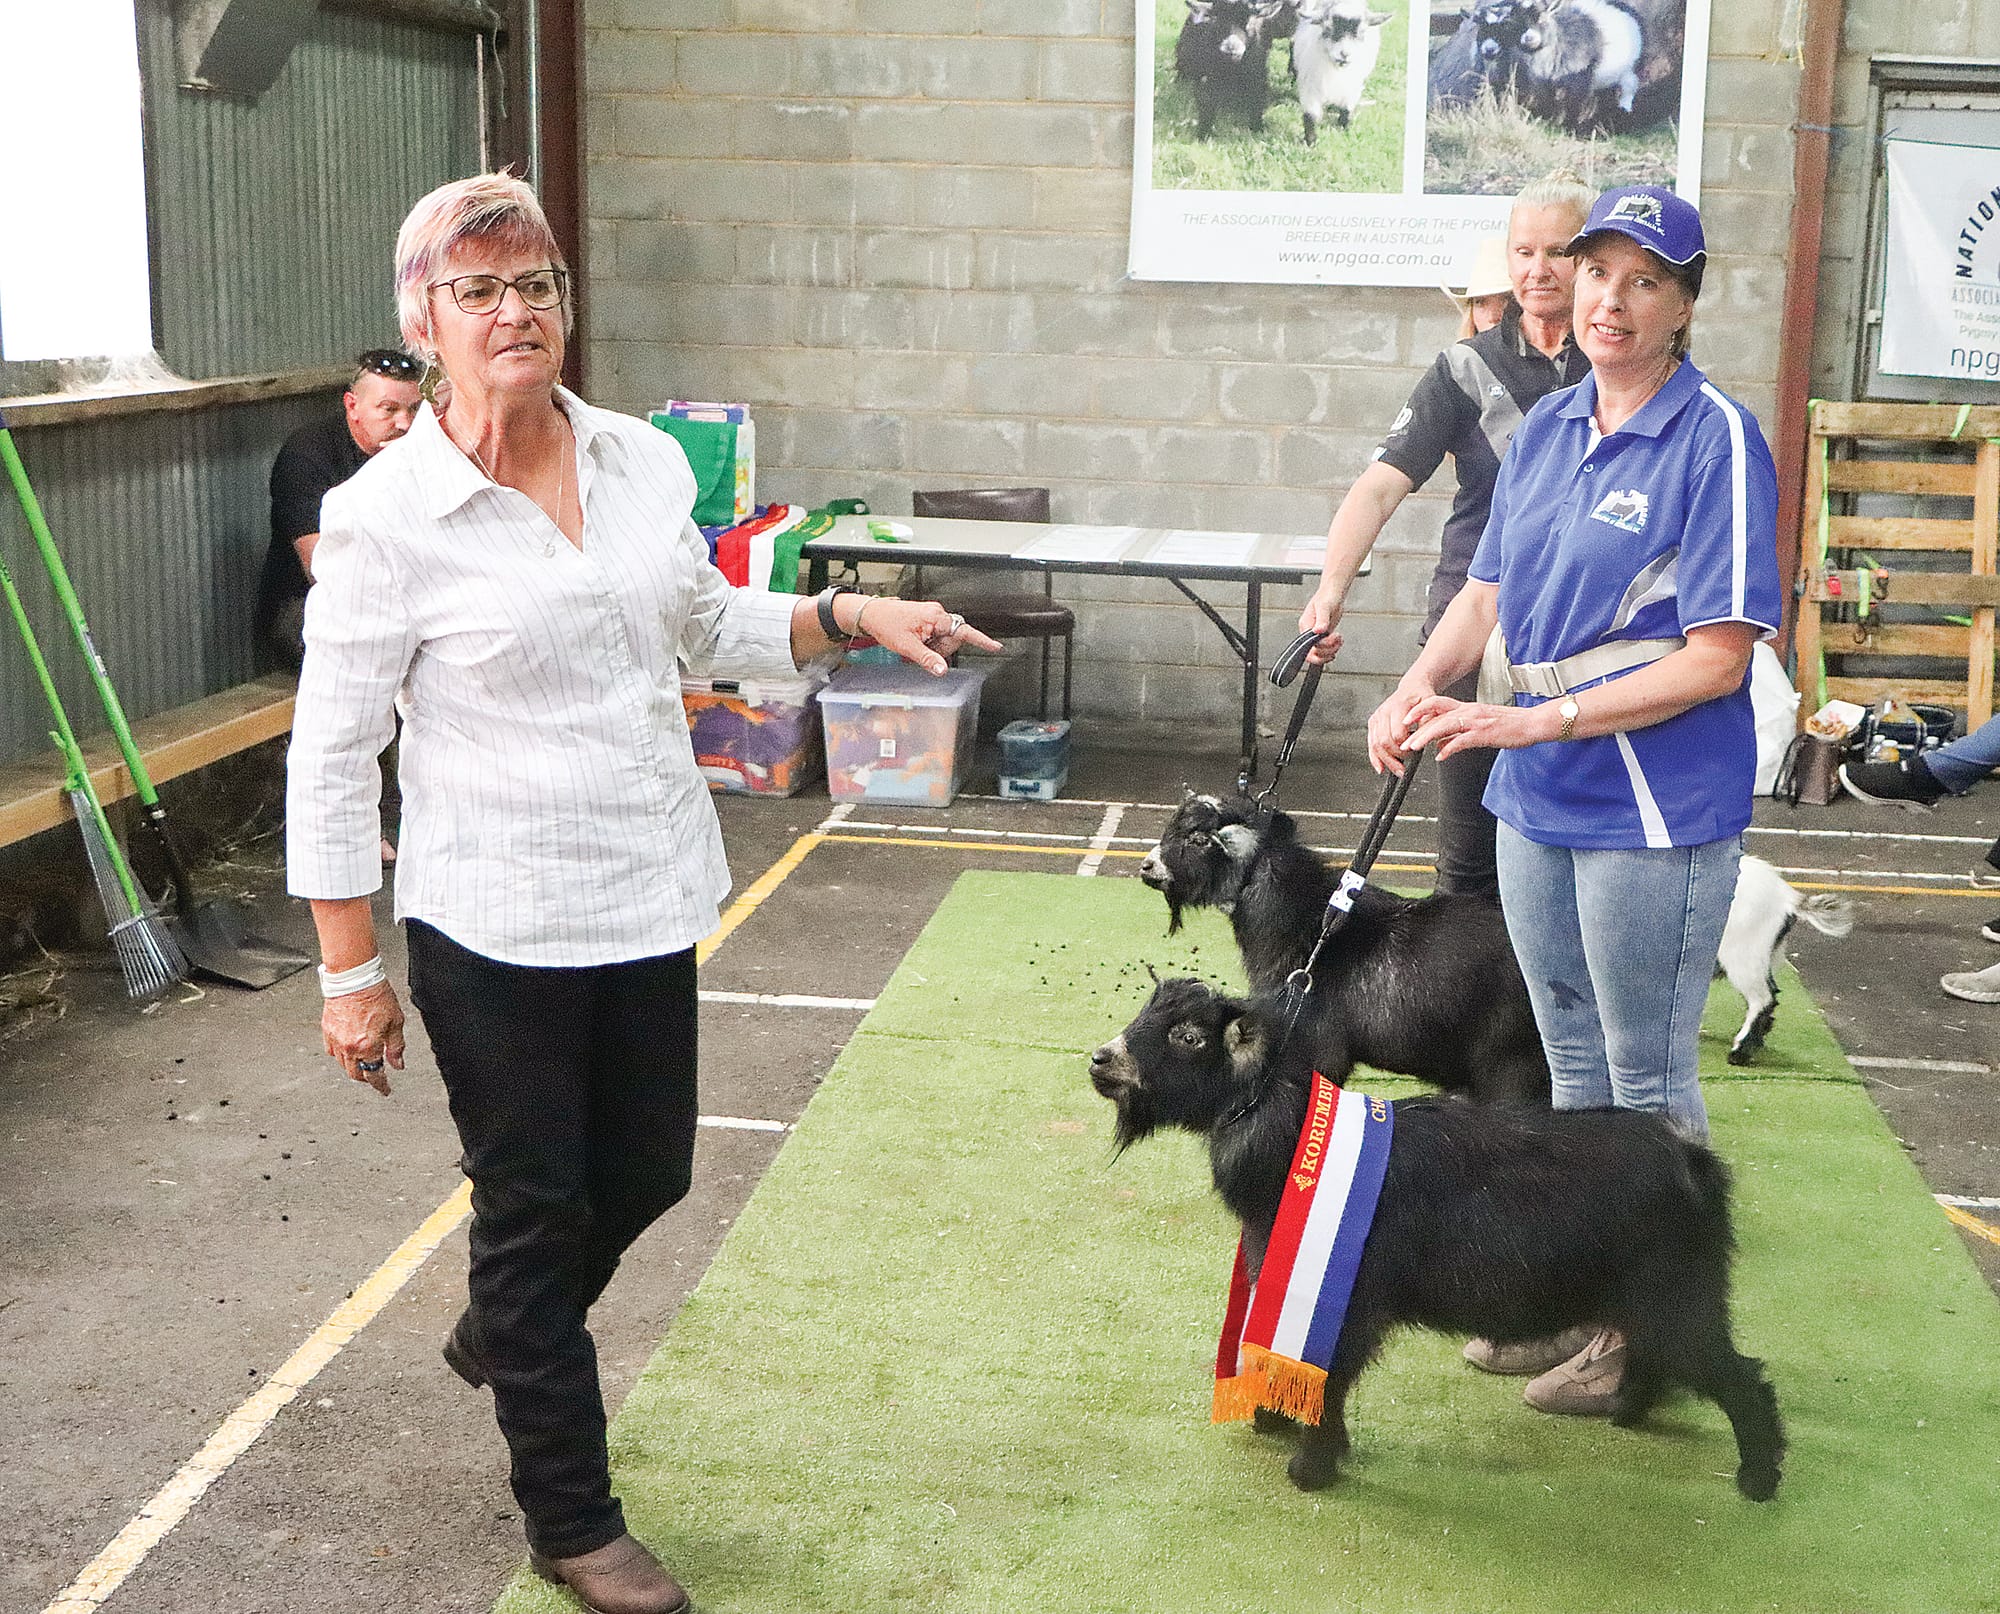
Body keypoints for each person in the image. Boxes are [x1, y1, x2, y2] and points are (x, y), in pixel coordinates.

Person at [285, 173, 1000, 1614]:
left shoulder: (635, 462)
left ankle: (508, 1321)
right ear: (422, 320)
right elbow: (332, 749)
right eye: (479, 290)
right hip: (489, 918)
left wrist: (852, 610)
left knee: (651, 1169)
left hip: (645, 885)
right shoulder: (387, 517)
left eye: (535, 282)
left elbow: (698, 618)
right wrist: (349, 971)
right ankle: (573, 1513)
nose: (515, 312)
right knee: (535, 1208)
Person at [1365, 185, 1783, 1416]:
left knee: (1644, 1081)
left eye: (1642, 281)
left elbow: (1716, 654)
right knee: (1566, 1059)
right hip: (1533, 794)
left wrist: (1527, 719)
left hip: (1649, 809)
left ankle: (1650, 1339)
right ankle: (1590, 1301)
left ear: (1684, 306)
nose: (1608, 296)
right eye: (1595, 271)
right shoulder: (1549, 429)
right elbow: (1486, 593)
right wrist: (1416, 682)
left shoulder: (1713, 439)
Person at [1301, 174, 1593, 900]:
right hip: (1473, 619)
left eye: (1558, 250)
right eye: (1522, 250)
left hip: (1587, 632)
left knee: (1576, 840)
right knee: (1467, 853)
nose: (1536, 268)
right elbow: (1379, 485)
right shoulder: (1465, 368)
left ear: (1589, 258)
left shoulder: (1622, 362)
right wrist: (1331, 590)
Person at [257, 350, 425, 671]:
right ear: (352, 406)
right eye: (388, 410)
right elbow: (322, 571)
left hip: (398, 594)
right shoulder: (308, 455)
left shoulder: (422, 451)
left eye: (414, 409)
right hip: (305, 606)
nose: (404, 423)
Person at [1445, 233, 1513, 340]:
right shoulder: (1458, 356)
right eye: (1480, 302)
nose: (1492, 317)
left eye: (1506, 300)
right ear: (1471, 315)